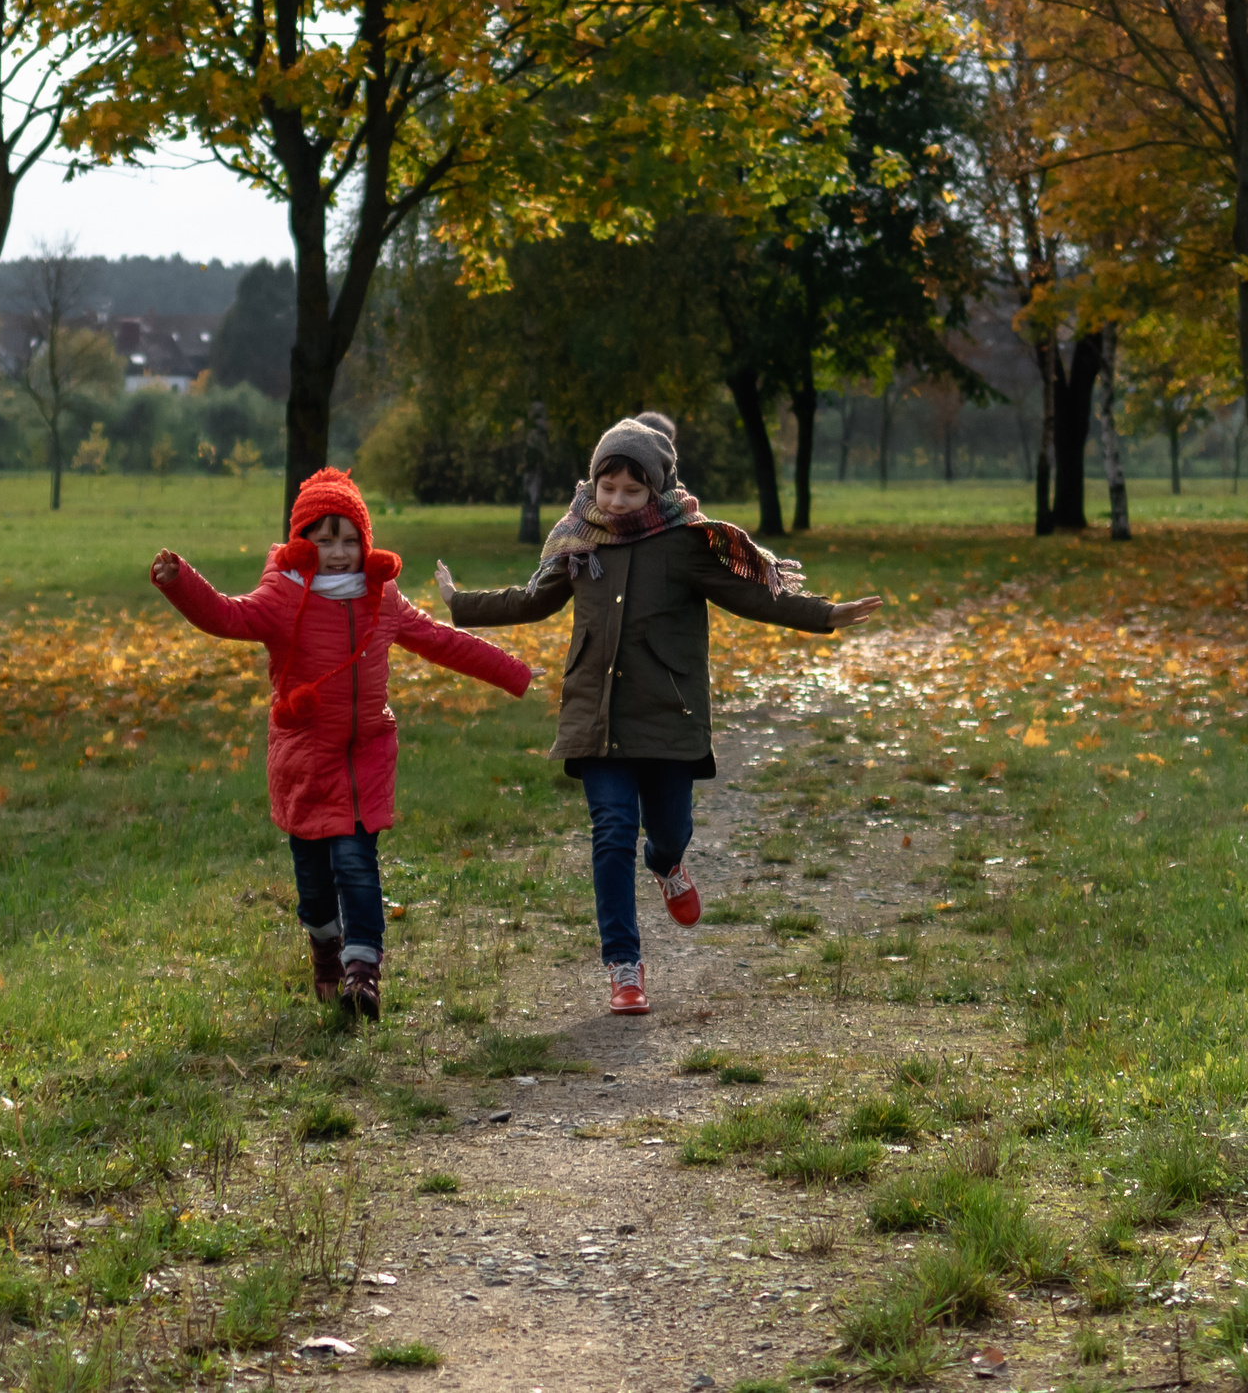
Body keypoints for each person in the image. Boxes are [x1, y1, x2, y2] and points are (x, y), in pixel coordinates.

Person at [435, 413, 880, 1015]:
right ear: (593, 484)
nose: (616, 501)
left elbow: (752, 596)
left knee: (668, 828)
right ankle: (624, 966)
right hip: (598, 717)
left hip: (669, 716)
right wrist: (461, 603)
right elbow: (535, 597)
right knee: (612, 830)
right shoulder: (578, 538)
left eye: (632, 489)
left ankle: (668, 862)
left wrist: (825, 614)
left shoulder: (686, 542)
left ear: (657, 490)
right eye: (607, 487)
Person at [151, 467, 533, 1020]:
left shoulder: (384, 600)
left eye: (349, 540)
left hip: (365, 756)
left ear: (367, 545)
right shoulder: (283, 598)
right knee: (312, 884)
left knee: (356, 864)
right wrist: (178, 581)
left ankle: (363, 974)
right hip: (305, 760)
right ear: (300, 545)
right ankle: (326, 950)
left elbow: (442, 641)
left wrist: (514, 673)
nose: (337, 552)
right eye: (323, 539)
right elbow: (226, 616)